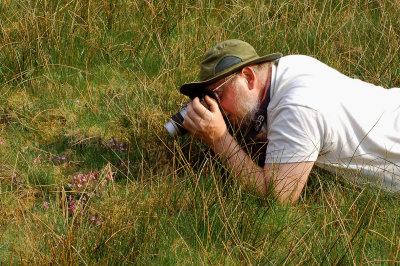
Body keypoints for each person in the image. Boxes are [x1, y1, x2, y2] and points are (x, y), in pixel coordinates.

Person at [179, 39, 400, 203]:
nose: (213, 105)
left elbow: (279, 197)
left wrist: (219, 140)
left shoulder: (296, 107)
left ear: (249, 77)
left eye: (218, 93)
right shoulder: (287, 68)